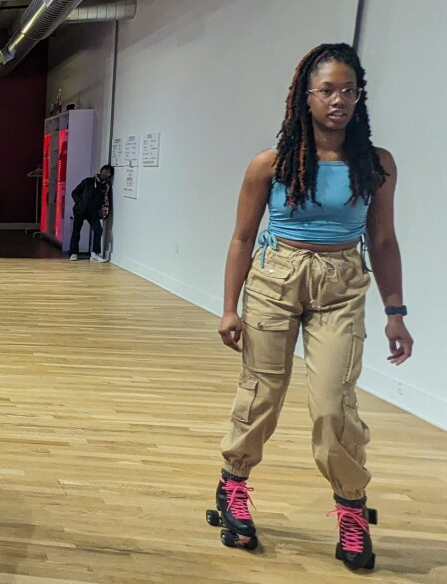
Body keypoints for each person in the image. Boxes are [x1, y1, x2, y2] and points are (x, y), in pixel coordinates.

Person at [213, 43, 413, 570]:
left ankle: (350, 508)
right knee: (262, 392)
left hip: (342, 283)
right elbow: (241, 238)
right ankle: (232, 484)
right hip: (276, 279)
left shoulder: (376, 165)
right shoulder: (271, 164)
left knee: (333, 404)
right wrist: (229, 307)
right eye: (327, 89)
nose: (338, 100)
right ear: (305, 96)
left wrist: (397, 312)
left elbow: (385, 241)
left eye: (349, 90)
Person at [68, 164, 112, 262]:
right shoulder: (88, 181)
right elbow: (74, 192)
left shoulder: (106, 187)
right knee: (76, 231)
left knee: (98, 230)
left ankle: (95, 253)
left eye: (109, 172)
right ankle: (73, 252)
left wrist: (103, 211)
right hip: (80, 210)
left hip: (92, 212)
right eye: (106, 171)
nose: (107, 173)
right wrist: (79, 203)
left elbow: (106, 200)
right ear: (101, 171)